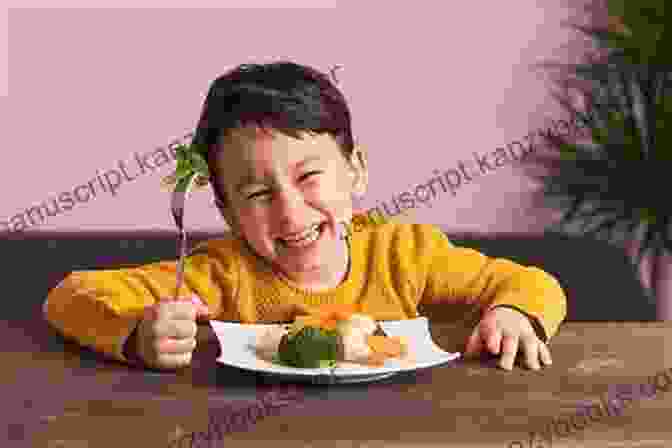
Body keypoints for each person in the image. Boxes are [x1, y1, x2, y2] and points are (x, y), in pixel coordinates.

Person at [43, 61, 566, 372]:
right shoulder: (218, 277)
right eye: (256, 191)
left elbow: (530, 282)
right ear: (225, 209)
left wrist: (516, 314)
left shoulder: (404, 254)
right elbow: (70, 297)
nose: (290, 211)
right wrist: (137, 338)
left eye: (309, 177)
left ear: (355, 171)